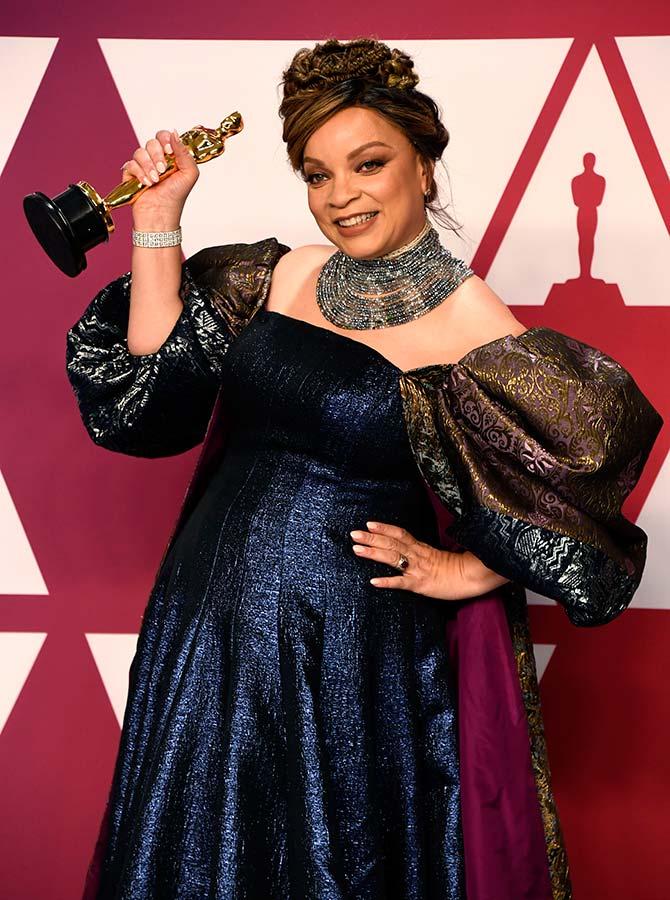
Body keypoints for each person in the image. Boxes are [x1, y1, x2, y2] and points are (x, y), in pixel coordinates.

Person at [65, 37, 663, 900]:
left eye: (368, 163)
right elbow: (152, 393)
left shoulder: (472, 322)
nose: (340, 196)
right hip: (206, 629)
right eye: (316, 174)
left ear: (424, 165)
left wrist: (467, 570)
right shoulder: (285, 273)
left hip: (345, 661)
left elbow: (584, 500)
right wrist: (158, 216)